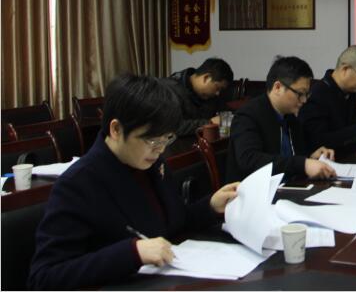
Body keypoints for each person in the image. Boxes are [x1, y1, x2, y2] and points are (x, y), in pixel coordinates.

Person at [28, 74, 239, 290]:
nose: (160, 149)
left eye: (167, 138)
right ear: (116, 129)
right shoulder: (78, 184)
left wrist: (210, 206)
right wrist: (132, 253)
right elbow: (44, 278)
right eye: (152, 140)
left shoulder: (152, 164)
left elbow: (174, 222)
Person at [225, 56, 336, 182]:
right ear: (277, 87)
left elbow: (292, 157)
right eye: (300, 94)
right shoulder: (247, 116)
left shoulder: (290, 117)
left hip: (289, 186)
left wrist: (311, 158)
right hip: (255, 189)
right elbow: (249, 160)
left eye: (306, 94)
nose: (304, 100)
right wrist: (303, 164)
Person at [300, 45, 356, 156]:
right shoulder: (318, 94)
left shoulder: (349, 91)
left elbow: (352, 133)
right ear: (345, 69)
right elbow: (318, 142)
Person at [168, 58, 234, 135]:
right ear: (206, 78)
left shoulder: (211, 95)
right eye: (217, 88)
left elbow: (226, 113)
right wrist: (210, 123)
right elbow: (172, 127)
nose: (218, 93)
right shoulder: (170, 90)